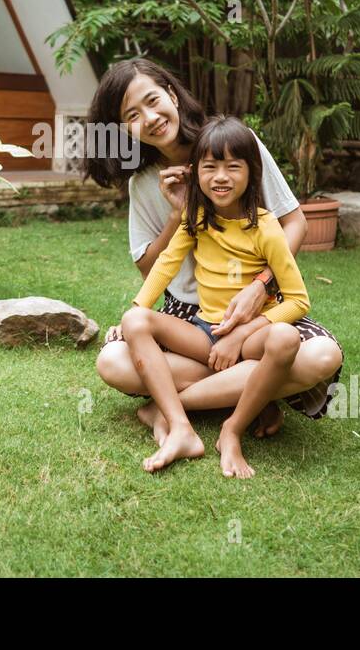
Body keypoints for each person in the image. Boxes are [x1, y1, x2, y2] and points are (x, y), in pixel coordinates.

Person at [85, 58, 343, 455]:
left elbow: (295, 223)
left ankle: (169, 407)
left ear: (172, 94)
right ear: (123, 129)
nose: (150, 118)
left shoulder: (237, 145)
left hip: (256, 311)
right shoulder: (143, 184)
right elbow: (152, 269)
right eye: (132, 116)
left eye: (153, 101)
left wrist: (261, 285)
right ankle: (254, 391)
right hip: (189, 317)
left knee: (320, 356)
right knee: (113, 363)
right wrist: (177, 214)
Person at [124, 115, 313, 477]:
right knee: (135, 321)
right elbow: (164, 265)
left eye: (233, 167)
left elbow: (298, 300)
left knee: (287, 339)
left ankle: (232, 428)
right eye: (210, 167)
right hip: (204, 331)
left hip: (251, 337)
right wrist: (138, 308)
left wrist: (241, 333)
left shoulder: (267, 228)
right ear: (196, 172)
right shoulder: (194, 217)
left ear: (251, 172)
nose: (221, 177)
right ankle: (180, 426)